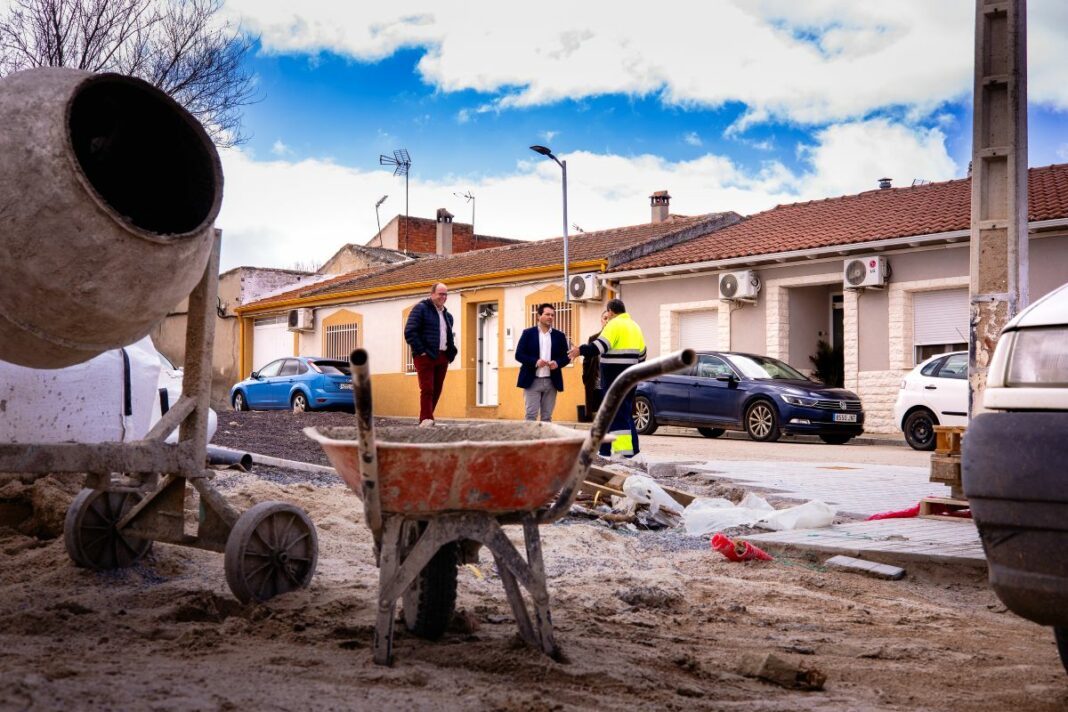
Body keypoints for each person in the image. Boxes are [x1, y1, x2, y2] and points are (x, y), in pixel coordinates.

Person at [569, 299, 646, 457]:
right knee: (622, 412)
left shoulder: (614, 325)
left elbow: (599, 347)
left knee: (616, 415)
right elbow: (643, 354)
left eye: (608, 313)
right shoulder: (635, 326)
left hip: (613, 379)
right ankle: (614, 451)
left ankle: (625, 454)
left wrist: (580, 350)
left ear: (610, 311)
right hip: (631, 377)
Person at [404, 283, 457, 425]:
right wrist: (421, 351)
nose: (443, 297)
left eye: (445, 294)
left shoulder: (448, 315)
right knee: (427, 388)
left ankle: (427, 417)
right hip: (425, 356)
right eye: (441, 294)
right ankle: (426, 419)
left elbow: (448, 335)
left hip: (442, 356)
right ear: (432, 294)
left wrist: (451, 352)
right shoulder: (420, 309)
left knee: (437, 389)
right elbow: (410, 332)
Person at [515, 303, 571, 422]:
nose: (550, 317)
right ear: (539, 316)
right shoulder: (528, 333)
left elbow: (566, 357)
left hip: (551, 381)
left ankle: (545, 441)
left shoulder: (559, 336)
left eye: (552, 315)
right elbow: (519, 355)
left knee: (547, 418)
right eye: (547, 314)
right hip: (532, 380)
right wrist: (535, 362)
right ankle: (530, 441)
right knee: (531, 416)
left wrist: (557, 363)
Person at [581, 310, 611, 421]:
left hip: (612, 384)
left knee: (612, 415)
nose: (607, 321)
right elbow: (587, 361)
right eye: (605, 318)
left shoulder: (617, 338)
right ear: (601, 320)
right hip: (597, 385)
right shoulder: (593, 339)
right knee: (598, 417)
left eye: (610, 318)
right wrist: (586, 378)